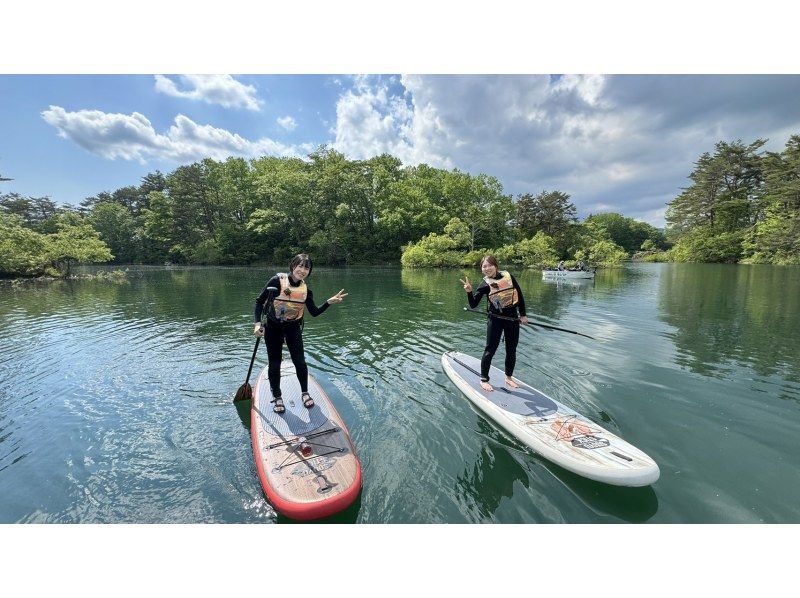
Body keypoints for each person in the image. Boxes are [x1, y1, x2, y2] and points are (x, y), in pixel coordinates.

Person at [253, 253, 347, 414]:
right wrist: (257, 324)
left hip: (293, 328)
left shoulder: (306, 291)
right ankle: (277, 396)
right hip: (273, 328)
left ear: (309, 272)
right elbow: (259, 302)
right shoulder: (275, 282)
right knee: (275, 363)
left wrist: (329, 302)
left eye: (307, 268)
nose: (302, 270)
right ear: (293, 266)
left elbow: (314, 312)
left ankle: (305, 393)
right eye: (300, 266)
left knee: (300, 362)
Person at [459, 255, 529, 392]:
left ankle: (508, 378)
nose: (487, 268)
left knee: (511, 350)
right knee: (490, 350)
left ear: (496, 266)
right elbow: (473, 305)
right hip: (495, 319)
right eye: (484, 266)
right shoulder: (485, 284)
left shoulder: (508, 276)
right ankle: (484, 379)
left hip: (512, 319)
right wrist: (469, 292)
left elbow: (519, 295)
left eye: (489, 265)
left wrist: (523, 314)